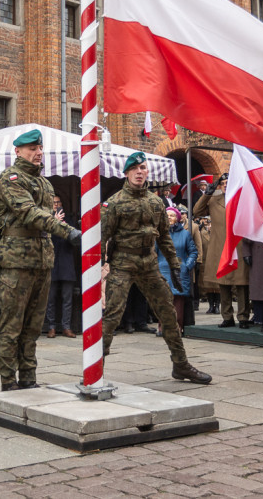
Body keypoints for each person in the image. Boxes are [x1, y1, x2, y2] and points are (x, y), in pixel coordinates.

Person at [101, 152, 211, 384]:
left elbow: (164, 239)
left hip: (149, 264)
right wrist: (100, 268)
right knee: (112, 314)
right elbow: (102, 238)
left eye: (143, 168)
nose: (140, 172)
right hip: (123, 262)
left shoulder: (155, 202)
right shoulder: (115, 202)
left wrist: (174, 268)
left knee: (168, 314)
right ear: (127, 173)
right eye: (135, 169)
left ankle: (181, 365)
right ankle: (95, 366)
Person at [0, 129, 80, 391]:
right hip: (16, 261)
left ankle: (28, 375)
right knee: (12, 323)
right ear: (17, 151)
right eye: (31, 148)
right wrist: (69, 231)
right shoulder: (10, 179)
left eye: (40, 148)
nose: (38, 152)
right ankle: (8, 378)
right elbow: (29, 213)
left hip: (42, 260)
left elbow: (45, 217)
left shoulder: (45, 184)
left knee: (33, 324)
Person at [194, 174, 252, 328]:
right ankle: (227, 316)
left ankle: (243, 317)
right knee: (223, 283)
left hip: (238, 246)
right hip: (220, 247)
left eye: (228, 182)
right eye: (223, 183)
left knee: (241, 284)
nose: (225, 185)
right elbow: (197, 211)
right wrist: (207, 194)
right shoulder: (214, 200)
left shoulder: (242, 200)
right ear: (219, 186)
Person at [158, 207, 197, 336]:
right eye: (167, 215)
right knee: (164, 300)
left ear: (178, 218)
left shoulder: (185, 234)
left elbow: (193, 252)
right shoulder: (159, 233)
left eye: (172, 215)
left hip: (180, 270)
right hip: (163, 269)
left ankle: (177, 327)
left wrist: (187, 265)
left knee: (178, 301)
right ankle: (162, 327)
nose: (169, 217)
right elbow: (152, 252)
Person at [46, 194, 79, 339]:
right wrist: (53, 223)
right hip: (51, 263)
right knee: (50, 298)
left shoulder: (68, 220)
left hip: (66, 263)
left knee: (67, 298)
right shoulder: (45, 220)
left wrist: (62, 225)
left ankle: (66, 327)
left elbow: (75, 239)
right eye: (53, 203)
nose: (56, 205)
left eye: (58, 202)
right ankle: (51, 327)